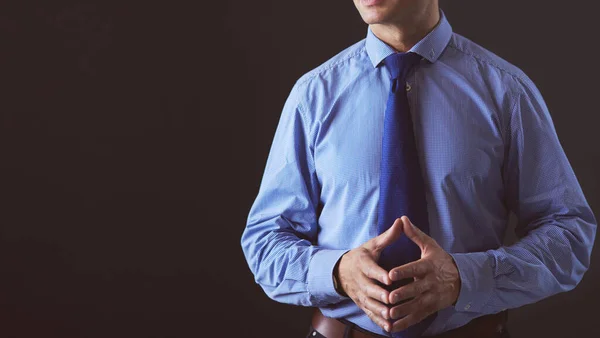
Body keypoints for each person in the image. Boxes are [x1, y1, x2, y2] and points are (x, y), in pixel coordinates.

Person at [240, 0, 597, 337]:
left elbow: (569, 234)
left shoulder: (506, 92)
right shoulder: (313, 96)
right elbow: (264, 242)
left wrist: (464, 278)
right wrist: (337, 272)